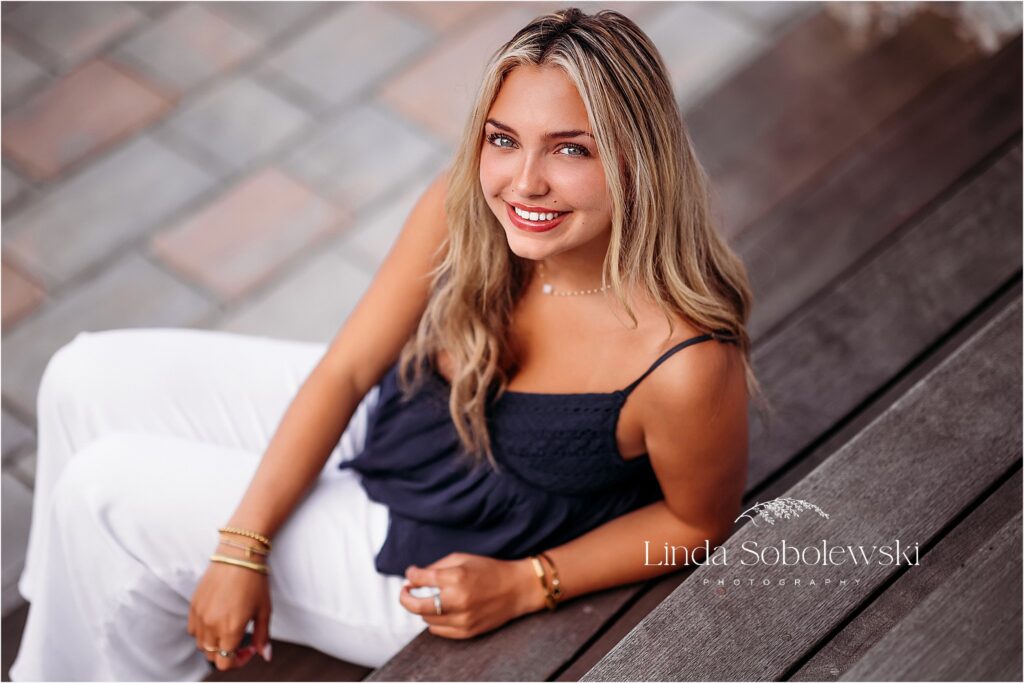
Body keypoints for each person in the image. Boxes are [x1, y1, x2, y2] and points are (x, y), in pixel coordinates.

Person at [9, 7, 757, 680]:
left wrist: (531, 581)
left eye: (571, 150)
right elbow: (350, 367)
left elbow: (697, 521)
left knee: (101, 493)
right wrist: (243, 544)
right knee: (82, 374)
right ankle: (83, 620)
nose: (524, 183)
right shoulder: (465, 208)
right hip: (393, 427)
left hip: (425, 554)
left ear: (638, 160)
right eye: (504, 140)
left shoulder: (685, 362)